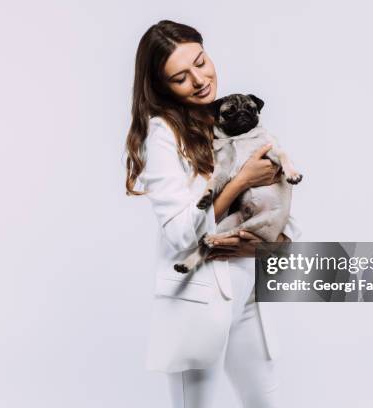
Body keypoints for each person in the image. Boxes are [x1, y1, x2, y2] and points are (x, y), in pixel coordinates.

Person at [125, 20, 301, 408]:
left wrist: (271, 244)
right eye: (180, 77)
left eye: (201, 62)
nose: (200, 80)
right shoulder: (164, 134)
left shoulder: (229, 118)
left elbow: (276, 204)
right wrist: (238, 182)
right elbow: (178, 234)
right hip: (199, 300)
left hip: (249, 295)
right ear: (161, 86)